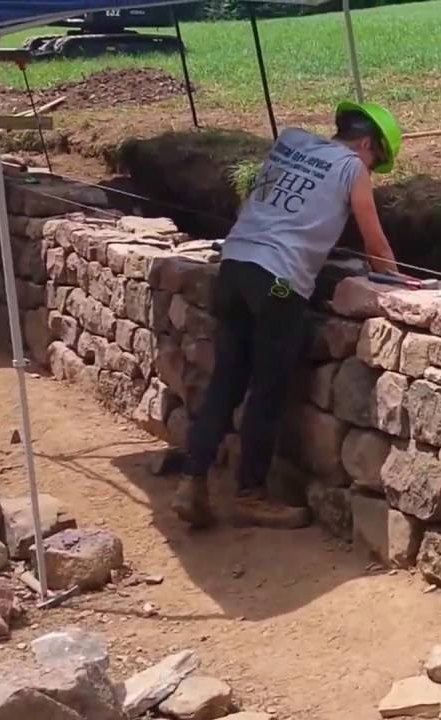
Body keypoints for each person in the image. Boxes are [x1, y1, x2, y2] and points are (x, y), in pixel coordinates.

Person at [171, 101, 403, 530]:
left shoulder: (291, 141)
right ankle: (250, 495)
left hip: (235, 268)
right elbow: (375, 246)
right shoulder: (352, 168)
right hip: (277, 284)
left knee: (226, 382)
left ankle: (192, 481)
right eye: (376, 160)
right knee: (267, 388)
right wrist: (401, 282)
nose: (371, 168)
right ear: (367, 144)